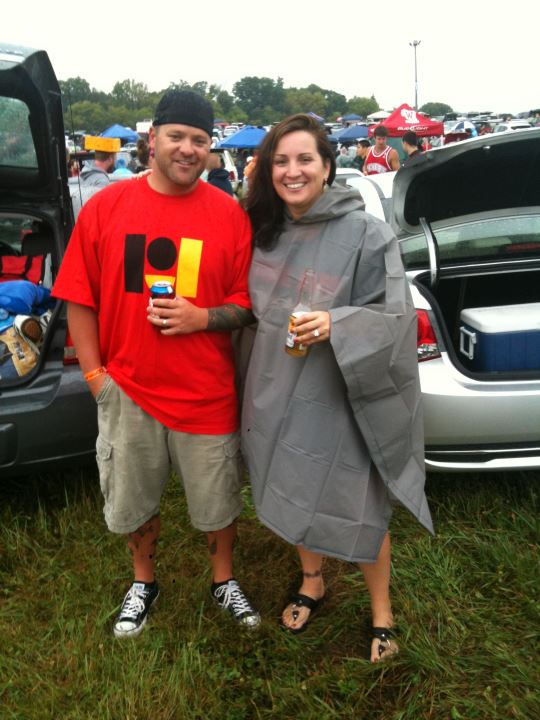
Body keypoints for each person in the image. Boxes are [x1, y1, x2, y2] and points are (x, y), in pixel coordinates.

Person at [52, 89, 260, 639]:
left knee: (218, 500)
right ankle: (143, 581)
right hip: (129, 388)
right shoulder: (106, 208)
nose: (188, 149)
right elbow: (79, 298)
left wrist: (202, 317)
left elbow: (246, 305)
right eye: (177, 136)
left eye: (200, 140)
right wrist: (95, 378)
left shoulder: (228, 214)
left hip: (207, 392)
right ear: (152, 140)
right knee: (133, 498)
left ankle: (223, 580)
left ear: (210, 148)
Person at [241, 114, 433, 662]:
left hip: (343, 388)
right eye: (281, 161)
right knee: (292, 479)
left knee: (359, 496)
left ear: (328, 166)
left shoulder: (366, 232)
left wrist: (337, 323)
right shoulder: (264, 231)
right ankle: (312, 580)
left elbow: (395, 316)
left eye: (305, 159)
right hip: (276, 384)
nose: (292, 171)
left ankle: (382, 613)